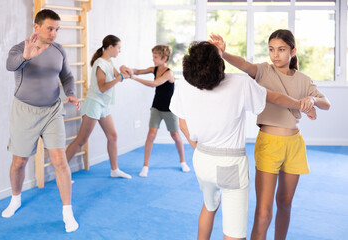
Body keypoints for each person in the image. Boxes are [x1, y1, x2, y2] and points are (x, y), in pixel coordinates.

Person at [169, 41, 316, 240]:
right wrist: (301, 104)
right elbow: (274, 98)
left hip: (201, 159)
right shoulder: (239, 83)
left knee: (209, 205)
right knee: (234, 232)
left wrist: (199, 149)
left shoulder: (183, 84)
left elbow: (183, 125)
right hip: (229, 165)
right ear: (219, 65)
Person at [210, 30, 331, 240]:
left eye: (282, 50)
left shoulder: (304, 79)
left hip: (294, 145)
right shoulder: (264, 71)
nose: (275, 55)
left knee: (285, 204)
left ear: (293, 51)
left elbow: (326, 104)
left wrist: (312, 101)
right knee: (264, 212)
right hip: (269, 144)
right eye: (272, 49)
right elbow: (244, 64)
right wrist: (224, 54)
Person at [4, 9, 80, 232]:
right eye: (50, 28)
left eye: (57, 29)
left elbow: (66, 76)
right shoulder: (20, 49)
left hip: (52, 111)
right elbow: (11, 65)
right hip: (24, 111)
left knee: (59, 161)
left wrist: (70, 92)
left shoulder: (58, 50)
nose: (55, 33)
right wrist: (26, 57)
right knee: (20, 162)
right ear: (36, 27)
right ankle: (15, 199)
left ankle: (68, 213)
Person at [65, 35, 132, 179]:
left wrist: (124, 71)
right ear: (110, 47)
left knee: (113, 136)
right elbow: (102, 87)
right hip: (94, 103)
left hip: (104, 105)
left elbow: (119, 76)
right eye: (118, 47)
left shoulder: (109, 62)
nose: (119, 51)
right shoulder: (100, 64)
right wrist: (119, 78)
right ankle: (61, 172)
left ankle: (114, 170)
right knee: (81, 140)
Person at [120, 45, 190, 177]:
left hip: (170, 109)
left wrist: (133, 78)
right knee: (151, 135)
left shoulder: (169, 73)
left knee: (175, 135)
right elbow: (138, 71)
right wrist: (127, 69)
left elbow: (154, 84)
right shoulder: (154, 69)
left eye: (156, 57)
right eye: (153, 56)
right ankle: (145, 166)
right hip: (156, 107)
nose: (153, 59)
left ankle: (183, 161)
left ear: (164, 58)